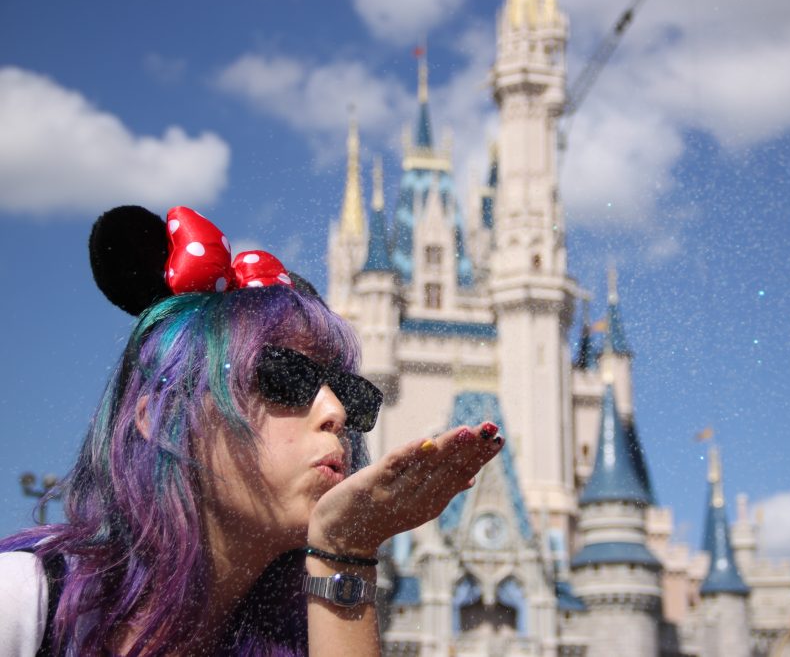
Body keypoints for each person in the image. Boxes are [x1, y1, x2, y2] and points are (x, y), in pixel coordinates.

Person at [0, 206, 504, 656]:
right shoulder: (22, 608)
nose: (335, 413)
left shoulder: (312, 633)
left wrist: (345, 550)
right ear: (162, 420)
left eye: (350, 394)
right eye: (285, 378)